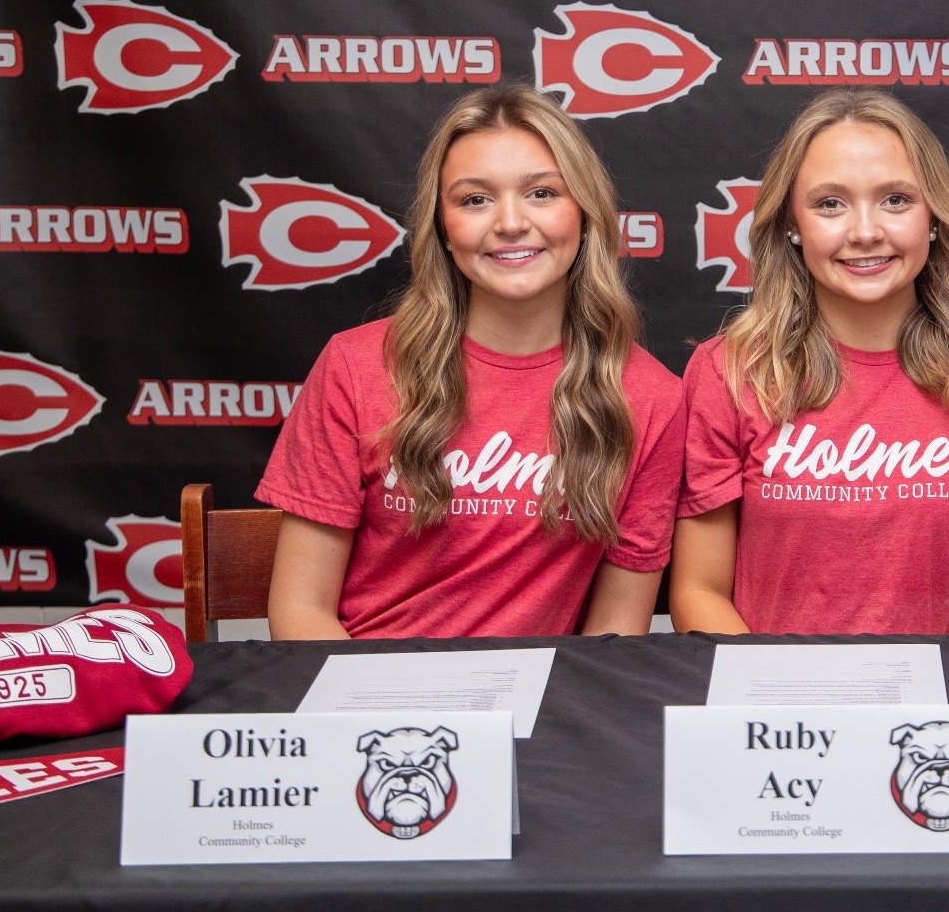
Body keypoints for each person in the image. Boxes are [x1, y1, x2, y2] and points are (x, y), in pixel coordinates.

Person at [258, 84, 684, 639]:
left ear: (585, 212)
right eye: (474, 199)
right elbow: (300, 610)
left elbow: (613, 636)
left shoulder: (649, 397)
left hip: (539, 711)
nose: (509, 222)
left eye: (542, 193)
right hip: (367, 699)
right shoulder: (356, 366)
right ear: (441, 226)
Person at [671, 90, 949, 636]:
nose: (866, 231)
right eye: (830, 204)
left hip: (936, 702)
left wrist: (922, 712)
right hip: (774, 703)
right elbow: (697, 591)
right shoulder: (728, 373)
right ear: (792, 224)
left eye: (896, 200)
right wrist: (783, 706)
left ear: (935, 217)